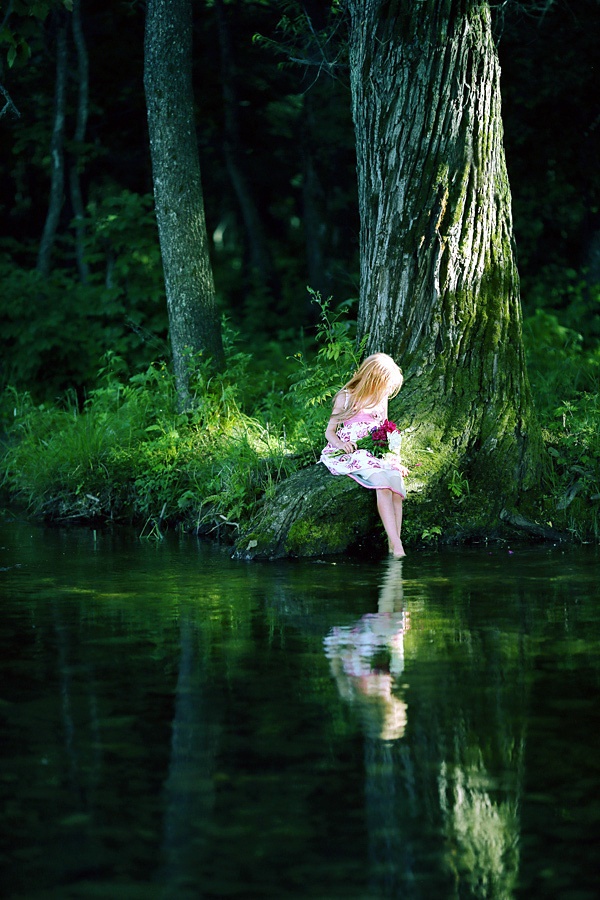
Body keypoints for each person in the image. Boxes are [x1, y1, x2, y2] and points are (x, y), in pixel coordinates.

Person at [320, 353, 409, 558]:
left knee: (396, 485)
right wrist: (341, 444)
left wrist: (395, 459)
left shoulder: (381, 398)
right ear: (374, 379)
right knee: (382, 485)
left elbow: (385, 429)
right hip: (357, 450)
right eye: (385, 384)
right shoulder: (346, 396)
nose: (387, 389)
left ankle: (393, 542)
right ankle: (398, 547)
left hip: (377, 450)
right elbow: (329, 431)